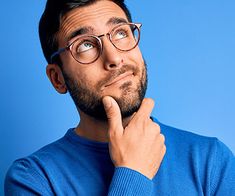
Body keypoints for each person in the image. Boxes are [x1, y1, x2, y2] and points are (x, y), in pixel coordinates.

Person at [4, 0, 235, 195]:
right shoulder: (33, 179)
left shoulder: (210, 160)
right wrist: (134, 173)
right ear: (57, 78)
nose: (114, 57)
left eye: (121, 32)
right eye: (85, 45)